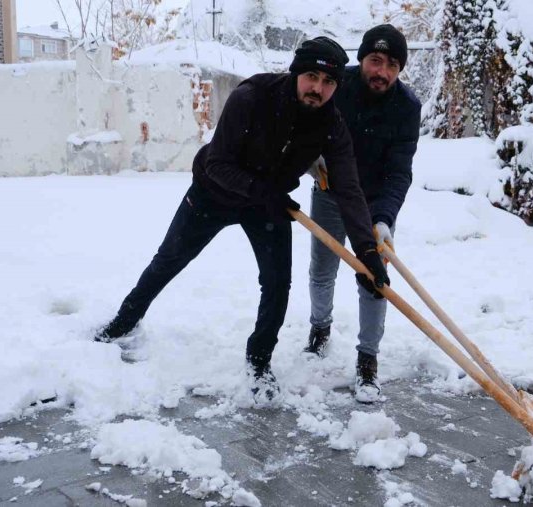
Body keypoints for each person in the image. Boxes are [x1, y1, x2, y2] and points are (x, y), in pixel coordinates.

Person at [95, 36, 390, 404]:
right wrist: (265, 192)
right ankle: (124, 321)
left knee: (277, 284)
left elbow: (348, 188)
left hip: (267, 204)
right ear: (297, 71)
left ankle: (259, 361)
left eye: (329, 82)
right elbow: (218, 163)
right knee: (169, 259)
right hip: (215, 192)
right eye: (312, 76)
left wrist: (366, 252)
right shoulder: (252, 96)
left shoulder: (330, 123)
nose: (318, 88)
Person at [305, 24, 421, 403]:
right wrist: (311, 158)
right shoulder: (340, 87)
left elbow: (399, 171)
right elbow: (306, 124)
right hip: (330, 191)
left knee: (374, 279)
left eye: (391, 64)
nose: (382, 71)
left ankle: (367, 359)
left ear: (400, 69)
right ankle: (320, 328)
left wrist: (385, 219)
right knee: (322, 269)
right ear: (362, 59)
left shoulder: (407, 107)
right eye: (375, 60)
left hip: (373, 205)